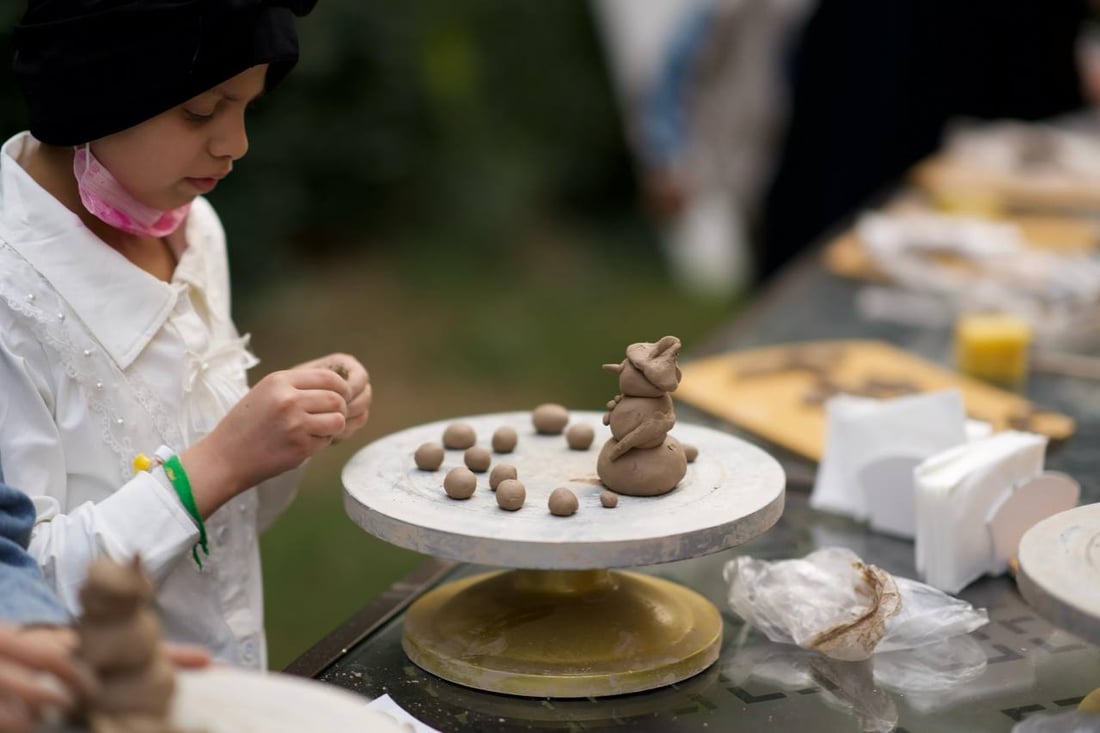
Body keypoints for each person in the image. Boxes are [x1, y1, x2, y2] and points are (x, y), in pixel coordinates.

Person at [0, 0, 372, 670]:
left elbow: (223, 537)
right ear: (95, 88)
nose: (236, 143)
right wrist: (220, 460)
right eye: (202, 111)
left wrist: (288, 428)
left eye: (247, 107)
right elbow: (22, 595)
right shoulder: (11, 296)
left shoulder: (193, 228)